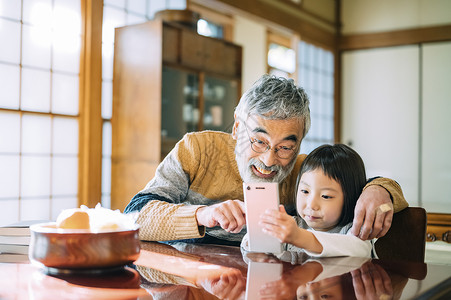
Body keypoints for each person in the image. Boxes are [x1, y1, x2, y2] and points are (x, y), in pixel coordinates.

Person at [124, 74, 408, 246]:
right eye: (258, 141)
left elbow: (371, 185)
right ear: (237, 127)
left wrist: (378, 190)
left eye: (285, 147)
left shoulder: (304, 172)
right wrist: (202, 215)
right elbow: (134, 216)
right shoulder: (197, 149)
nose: (269, 160)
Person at [241, 144, 374, 257]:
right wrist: (259, 229)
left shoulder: (355, 230)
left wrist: (299, 237)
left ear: (351, 198)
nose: (311, 205)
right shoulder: (293, 225)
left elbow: (359, 250)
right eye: (305, 191)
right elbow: (256, 252)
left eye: (326, 196)